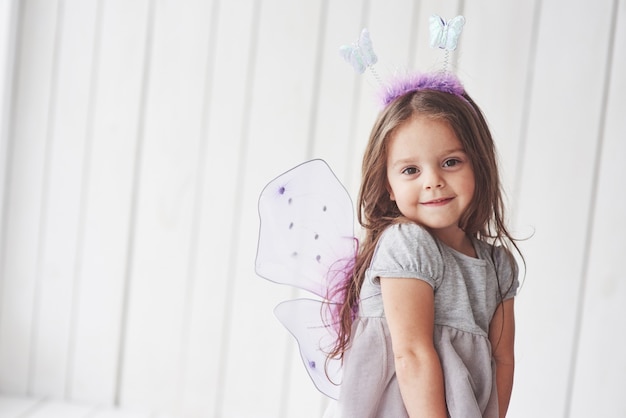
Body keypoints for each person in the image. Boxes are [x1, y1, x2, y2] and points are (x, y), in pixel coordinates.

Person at [325, 72, 522, 418]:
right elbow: (412, 354)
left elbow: (503, 358)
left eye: (450, 162)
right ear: (387, 185)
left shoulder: (498, 264)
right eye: (411, 170)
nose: (433, 182)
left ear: (478, 164)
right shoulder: (408, 245)